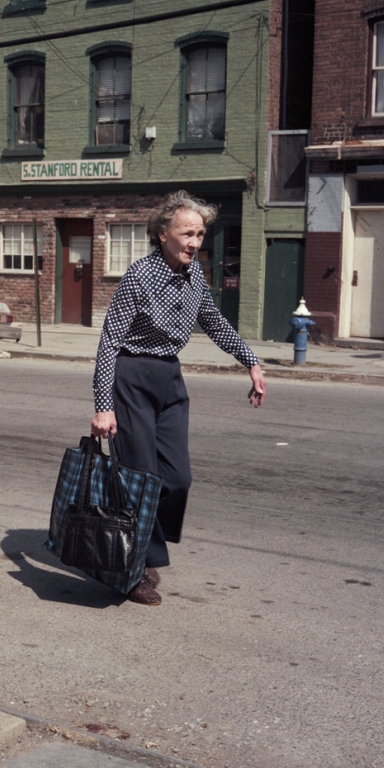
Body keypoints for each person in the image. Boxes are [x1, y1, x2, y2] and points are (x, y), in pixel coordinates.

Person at [91, 191, 266, 606]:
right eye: (187, 233)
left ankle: (149, 544)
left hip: (169, 378)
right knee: (140, 478)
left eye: (200, 234)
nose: (194, 242)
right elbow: (109, 342)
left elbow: (215, 322)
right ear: (162, 234)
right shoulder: (138, 277)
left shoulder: (195, 278)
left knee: (177, 477)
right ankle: (135, 571)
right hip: (131, 377)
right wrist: (103, 404)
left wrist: (251, 362)